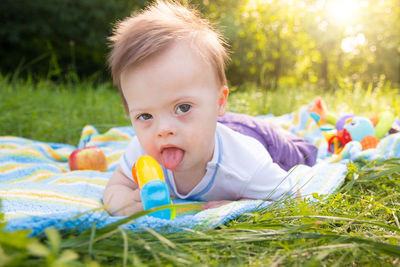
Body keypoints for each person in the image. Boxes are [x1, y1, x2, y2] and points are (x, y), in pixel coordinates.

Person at [103, 0, 317, 216]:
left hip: (262, 138)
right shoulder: (141, 152)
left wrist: (241, 206)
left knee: (303, 153)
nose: (163, 129)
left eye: (183, 107)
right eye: (145, 115)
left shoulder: (245, 164)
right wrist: (124, 202)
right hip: (212, 126)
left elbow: (292, 197)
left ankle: (311, 116)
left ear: (220, 102)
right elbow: (115, 186)